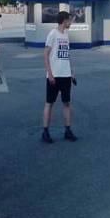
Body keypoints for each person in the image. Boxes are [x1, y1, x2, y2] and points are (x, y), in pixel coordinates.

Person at [42, 11, 77, 143]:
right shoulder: (53, 34)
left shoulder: (66, 34)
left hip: (66, 75)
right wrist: (50, 73)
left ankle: (68, 130)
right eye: (69, 20)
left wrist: (71, 71)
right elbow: (45, 54)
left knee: (66, 103)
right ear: (64, 21)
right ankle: (45, 131)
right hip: (54, 75)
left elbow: (67, 54)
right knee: (49, 103)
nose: (71, 23)